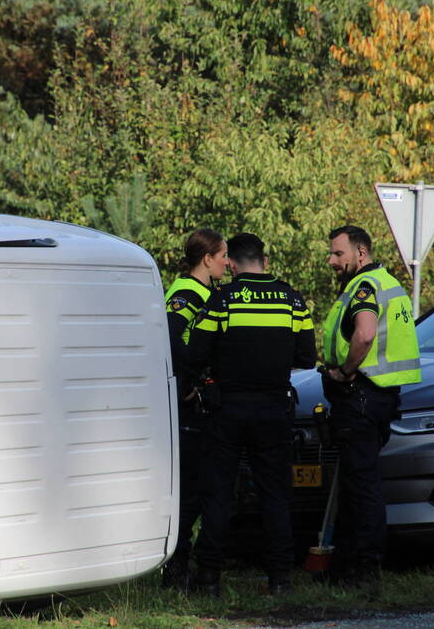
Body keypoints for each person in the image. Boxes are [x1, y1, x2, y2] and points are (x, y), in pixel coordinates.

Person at [188, 233, 316, 597]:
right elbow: (307, 357)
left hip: (227, 410)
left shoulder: (222, 299)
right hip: (274, 408)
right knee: (275, 495)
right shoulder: (292, 300)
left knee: (218, 494)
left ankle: (208, 580)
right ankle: (280, 579)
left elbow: (195, 353)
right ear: (264, 261)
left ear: (231, 264)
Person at [320, 225, 421, 594]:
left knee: (361, 486)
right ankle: (346, 567)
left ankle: (365, 570)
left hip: (361, 395)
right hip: (379, 398)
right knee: (356, 482)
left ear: (360, 253)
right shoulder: (387, 282)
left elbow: (364, 334)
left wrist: (345, 371)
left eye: (338, 253)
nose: (332, 261)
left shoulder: (364, 287)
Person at [161, 228, 230, 589]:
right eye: (223, 256)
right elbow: (170, 337)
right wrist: (186, 385)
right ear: (207, 258)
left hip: (204, 404)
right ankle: (175, 569)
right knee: (188, 491)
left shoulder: (207, 292)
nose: (227, 263)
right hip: (188, 405)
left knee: (202, 487)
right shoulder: (187, 292)